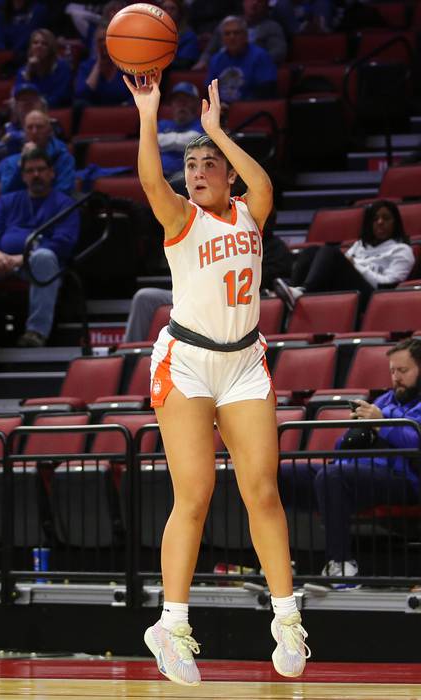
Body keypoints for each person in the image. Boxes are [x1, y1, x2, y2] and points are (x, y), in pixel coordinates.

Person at [124, 73, 308, 685]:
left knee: (262, 491)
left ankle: (286, 617)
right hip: (188, 360)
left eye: (209, 164)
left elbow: (263, 183)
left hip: (245, 360)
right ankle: (170, 626)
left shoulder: (249, 212)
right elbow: (151, 179)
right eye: (193, 164)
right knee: (195, 494)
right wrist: (149, 114)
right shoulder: (180, 218)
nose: (199, 171)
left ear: (226, 174)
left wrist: (216, 132)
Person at [279, 338, 421, 584]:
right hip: (361, 473)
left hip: (405, 481)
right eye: (392, 371)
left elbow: (415, 442)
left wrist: (379, 423)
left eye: (403, 370)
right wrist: (356, 433)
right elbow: (341, 446)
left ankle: (342, 564)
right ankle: (279, 562)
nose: (396, 377)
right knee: (282, 472)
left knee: (333, 476)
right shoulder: (385, 400)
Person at [0, 148, 79, 348]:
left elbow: (63, 242)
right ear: (23, 176)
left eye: (41, 170)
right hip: (1, 263)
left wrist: (20, 259)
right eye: (30, 171)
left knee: (45, 256)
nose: (36, 175)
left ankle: (36, 332)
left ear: (52, 173)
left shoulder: (64, 203)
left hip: (34, 265)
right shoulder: (7, 201)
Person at [124, 216, 292, 342]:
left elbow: (267, 279)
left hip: (228, 301)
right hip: (194, 293)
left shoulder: (275, 248)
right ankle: (129, 355)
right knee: (144, 297)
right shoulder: (221, 236)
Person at [274, 200, 415, 313]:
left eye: (386, 218)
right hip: (347, 288)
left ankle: (302, 292)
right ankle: (292, 291)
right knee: (311, 251)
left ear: (395, 223)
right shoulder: (360, 245)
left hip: (373, 296)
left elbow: (388, 285)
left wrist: (356, 265)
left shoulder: (402, 250)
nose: (380, 222)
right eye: (375, 219)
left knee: (330, 252)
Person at [0, 108, 75, 194]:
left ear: (49, 131)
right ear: (24, 132)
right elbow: (7, 194)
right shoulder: (11, 162)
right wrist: (21, 165)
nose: (34, 132)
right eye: (29, 127)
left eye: (39, 127)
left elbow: (63, 193)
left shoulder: (64, 158)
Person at [194, 0, 287, 70]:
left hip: (255, 73)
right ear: (243, 2)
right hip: (224, 71)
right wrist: (203, 61)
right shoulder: (228, 24)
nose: (254, 3)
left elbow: (278, 53)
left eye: (259, 1)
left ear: (266, 4)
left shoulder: (273, 27)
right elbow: (209, 52)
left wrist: (248, 61)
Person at [206, 16, 278, 104]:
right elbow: (209, 92)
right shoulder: (216, 59)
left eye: (236, 33)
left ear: (246, 36)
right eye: (227, 33)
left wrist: (236, 109)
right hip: (221, 111)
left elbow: (266, 92)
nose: (232, 37)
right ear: (222, 39)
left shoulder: (260, 56)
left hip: (250, 109)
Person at [14, 28, 72, 109]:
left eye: (44, 43)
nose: (39, 46)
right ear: (30, 47)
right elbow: (19, 96)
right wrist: (28, 72)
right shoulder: (23, 71)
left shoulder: (62, 67)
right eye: (35, 43)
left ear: (51, 49)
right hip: (29, 113)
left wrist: (38, 105)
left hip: (54, 111)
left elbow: (60, 97)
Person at [74, 24, 129, 107]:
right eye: (100, 40)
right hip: (96, 115)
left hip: (124, 114)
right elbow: (82, 95)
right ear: (95, 44)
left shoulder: (128, 65)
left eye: (108, 38)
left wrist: (127, 104)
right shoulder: (86, 66)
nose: (104, 43)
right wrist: (98, 66)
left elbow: (141, 92)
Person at [158, 82, 204, 178]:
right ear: (171, 105)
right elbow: (152, 143)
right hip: (159, 176)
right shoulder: (162, 124)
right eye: (177, 100)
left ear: (196, 104)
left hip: (188, 177)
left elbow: (194, 143)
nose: (182, 105)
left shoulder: (203, 124)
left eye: (187, 100)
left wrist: (165, 141)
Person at [158, 0, 200, 70]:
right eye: (164, 8)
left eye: (172, 9)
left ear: (180, 13)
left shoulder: (188, 36)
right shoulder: (153, 33)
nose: (168, 12)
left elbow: (184, 63)